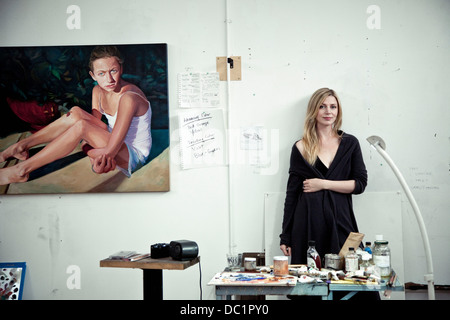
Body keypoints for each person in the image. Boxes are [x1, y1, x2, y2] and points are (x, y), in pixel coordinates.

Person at [0, 45, 152, 185]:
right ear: (93, 75)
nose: (109, 79)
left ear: (121, 68)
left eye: (113, 70)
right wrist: (87, 145)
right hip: (112, 139)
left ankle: (22, 170)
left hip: (132, 154)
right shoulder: (98, 91)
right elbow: (93, 126)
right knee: (76, 113)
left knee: (81, 126)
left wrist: (93, 156)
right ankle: (21, 147)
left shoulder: (129, 98)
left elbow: (110, 149)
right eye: (101, 73)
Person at [280, 87, 367, 263]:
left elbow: (360, 185)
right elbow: (292, 195)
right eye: (322, 106)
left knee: (350, 277)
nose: (328, 112)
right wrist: (286, 236)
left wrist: (324, 184)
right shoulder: (300, 147)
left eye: (333, 107)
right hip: (308, 224)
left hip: (341, 220)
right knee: (310, 280)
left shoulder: (350, 143)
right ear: (314, 110)